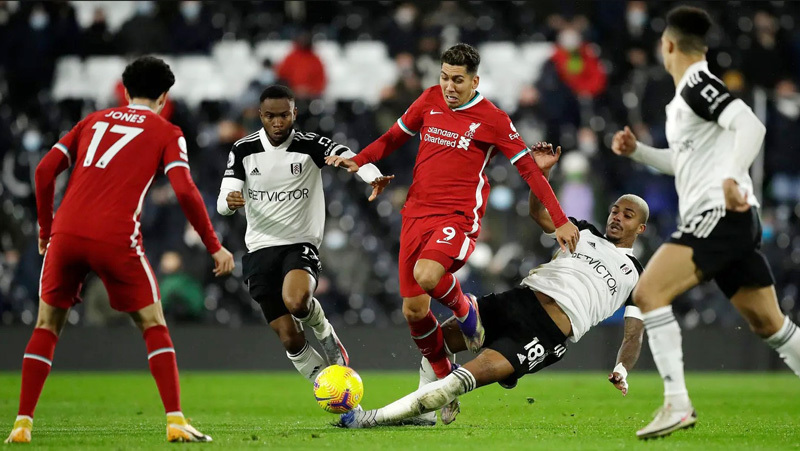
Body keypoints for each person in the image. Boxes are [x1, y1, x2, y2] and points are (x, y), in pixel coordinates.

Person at [336, 143, 647, 429]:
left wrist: (622, 368)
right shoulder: (583, 232)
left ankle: (369, 419)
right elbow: (538, 214)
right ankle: (425, 414)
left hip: (545, 332)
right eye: (615, 211)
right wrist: (543, 174)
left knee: (456, 383)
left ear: (641, 227)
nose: (617, 217)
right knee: (438, 342)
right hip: (517, 301)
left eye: (627, 215)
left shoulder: (638, 276)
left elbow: (634, 334)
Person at [5, 56, 234, 444]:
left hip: (66, 233)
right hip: (115, 236)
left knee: (46, 326)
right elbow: (184, 189)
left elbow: (44, 171)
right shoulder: (167, 131)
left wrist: (45, 229)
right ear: (164, 97)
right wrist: (214, 245)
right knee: (153, 324)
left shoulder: (91, 121)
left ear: (125, 91)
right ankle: (175, 420)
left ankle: (22, 425)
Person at [326, 43, 580, 384]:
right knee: (414, 311)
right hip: (415, 214)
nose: (448, 86)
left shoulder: (493, 119)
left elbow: (529, 170)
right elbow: (393, 137)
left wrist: (560, 220)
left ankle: (466, 308)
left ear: (474, 82)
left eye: (457, 80)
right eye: (444, 77)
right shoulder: (429, 99)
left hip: (456, 217)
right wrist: (360, 160)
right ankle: (444, 378)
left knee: (428, 275)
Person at [611, 6, 800, 440]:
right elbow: (683, 163)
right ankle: (677, 404)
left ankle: (677, 404)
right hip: (734, 221)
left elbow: (751, 125)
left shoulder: (698, 84)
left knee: (648, 291)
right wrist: (638, 151)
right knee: (770, 325)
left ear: (668, 45)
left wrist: (732, 176)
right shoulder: (683, 101)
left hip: (718, 214)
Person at [217, 85, 393, 383]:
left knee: (297, 301)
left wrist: (371, 175)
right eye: (270, 116)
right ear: (260, 115)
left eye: (284, 115)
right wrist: (228, 203)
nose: (277, 122)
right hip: (259, 248)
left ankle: (324, 331)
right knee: (290, 338)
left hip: (299, 243)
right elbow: (224, 198)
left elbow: (346, 155)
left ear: (294, 113)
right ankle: (330, 391)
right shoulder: (243, 149)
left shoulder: (309, 144)